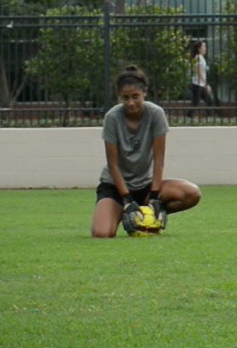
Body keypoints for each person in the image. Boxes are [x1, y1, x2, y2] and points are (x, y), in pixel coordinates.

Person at [92, 64, 202, 238]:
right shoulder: (112, 118)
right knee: (102, 233)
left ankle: (148, 211)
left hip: (146, 186)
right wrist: (127, 200)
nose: (130, 103)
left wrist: (155, 198)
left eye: (135, 96)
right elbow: (113, 165)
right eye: (125, 98)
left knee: (192, 193)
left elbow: (159, 160)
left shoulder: (156, 114)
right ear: (119, 97)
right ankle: (124, 212)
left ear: (144, 93)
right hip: (115, 187)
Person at [187, 39, 218, 110]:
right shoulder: (199, 58)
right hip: (198, 84)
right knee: (197, 103)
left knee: (208, 102)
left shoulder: (200, 58)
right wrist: (206, 84)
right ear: (199, 49)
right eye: (204, 46)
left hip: (199, 84)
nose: (205, 48)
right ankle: (189, 115)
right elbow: (200, 72)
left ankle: (209, 115)